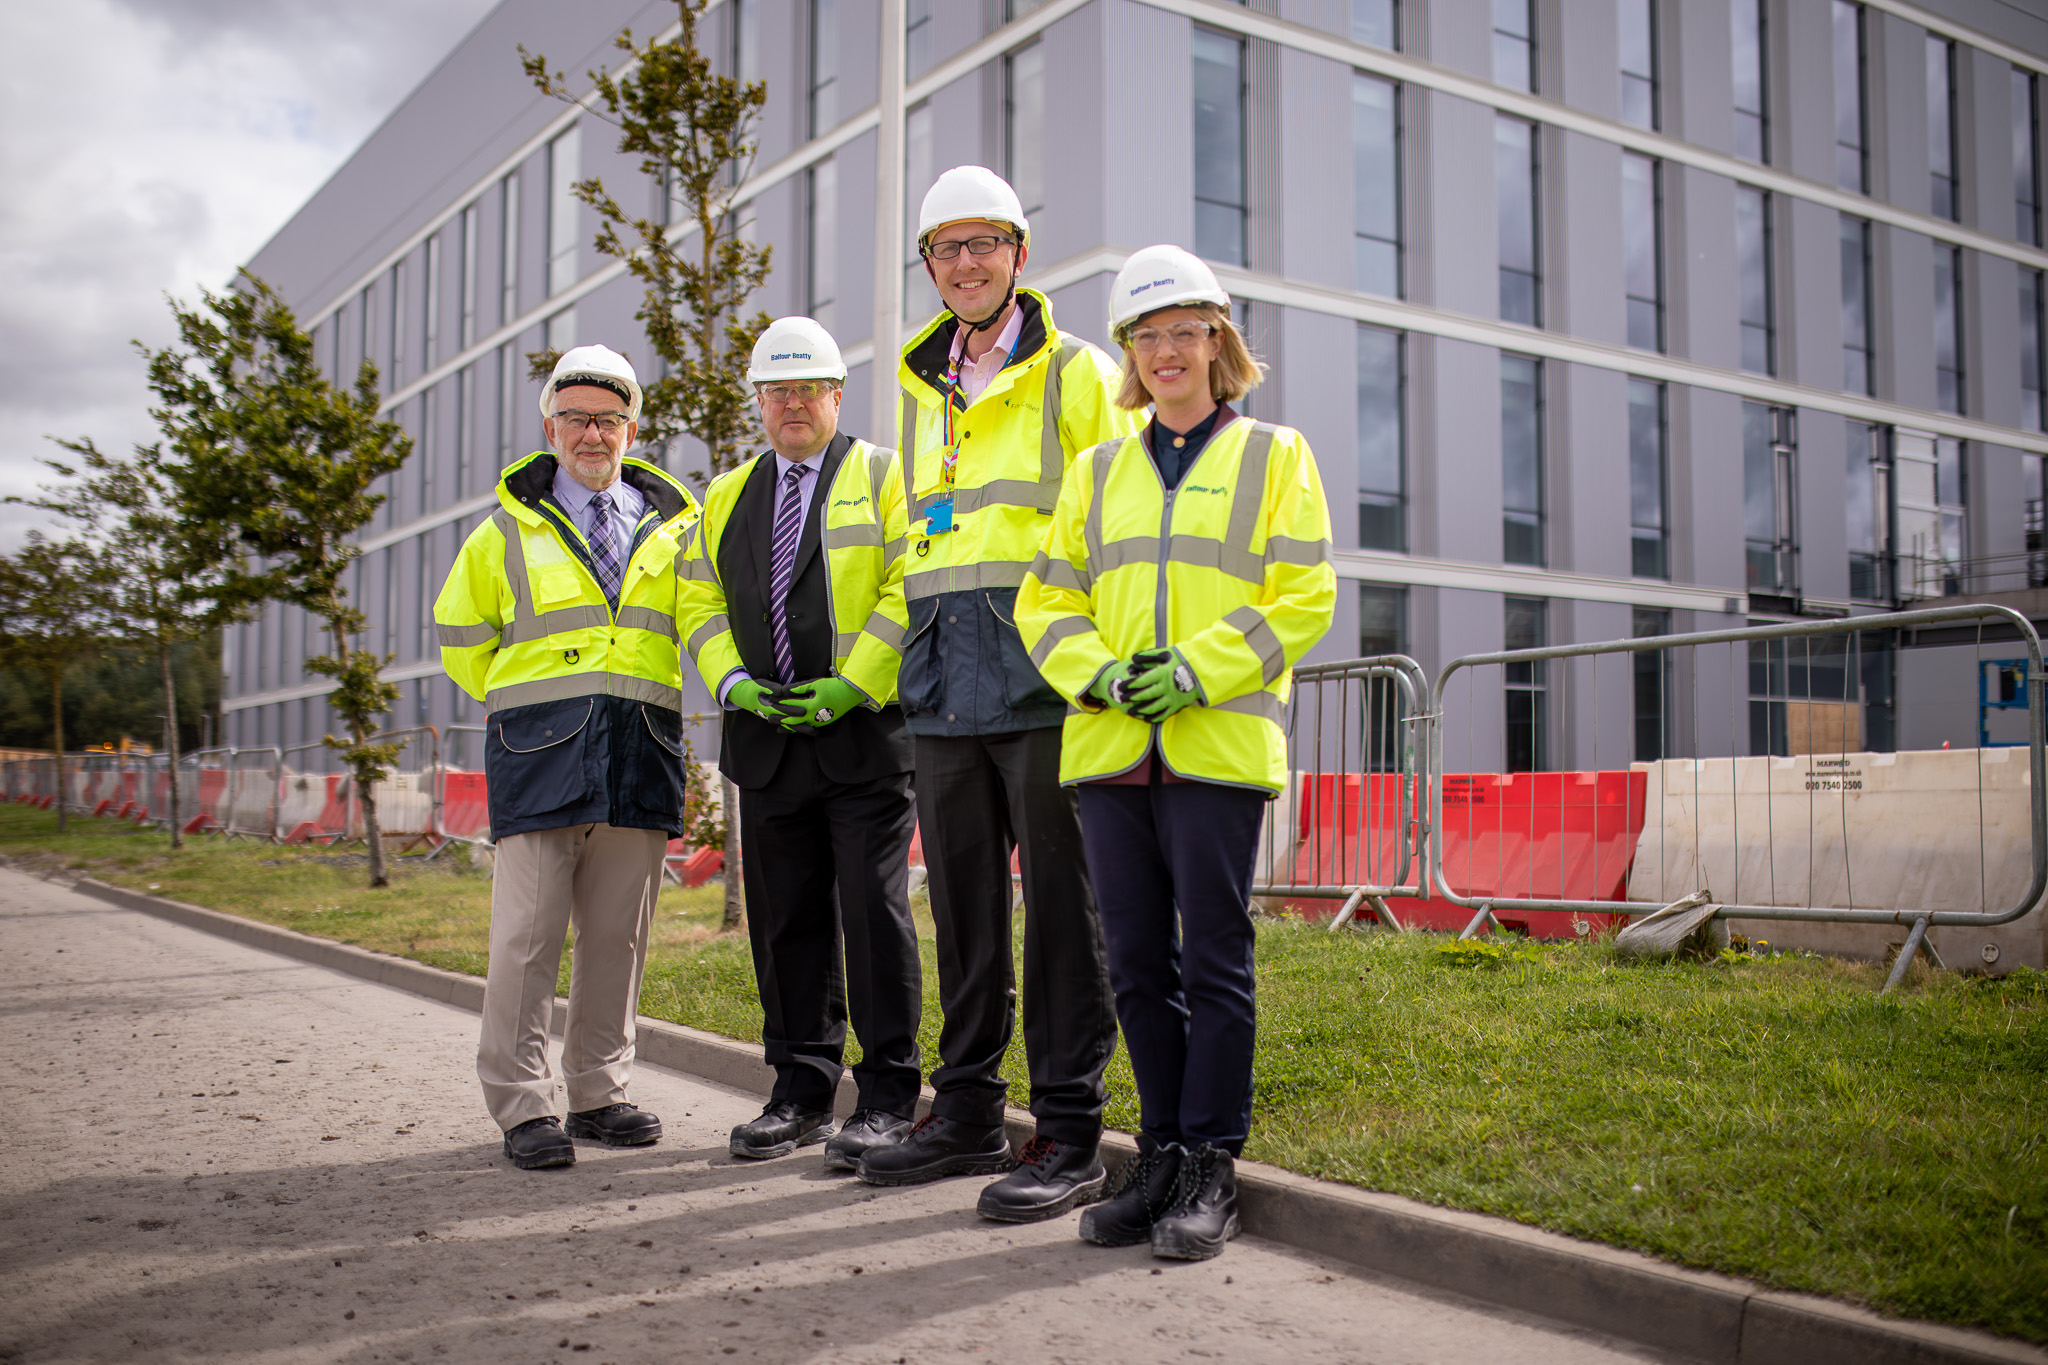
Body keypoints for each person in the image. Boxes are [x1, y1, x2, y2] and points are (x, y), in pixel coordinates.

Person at [1015, 245, 1336, 1259]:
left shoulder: (1274, 455)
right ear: (1127, 354)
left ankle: (1209, 1165)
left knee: (1212, 958)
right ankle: (1153, 1155)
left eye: (1183, 331)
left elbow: (1305, 595)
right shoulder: (1094, 471)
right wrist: (1100, 674)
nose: (1166, 351)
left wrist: (1194, 669)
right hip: (1110, 747)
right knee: (1136, 967)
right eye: (1145, 335)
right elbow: (1047, 599)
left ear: (1217, 342)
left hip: (1215, 745)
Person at [854, 166, 1139, 1225]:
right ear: (927, 267)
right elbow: (911, 537)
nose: (965, 264)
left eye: (984, 244)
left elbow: (1111, 524)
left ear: (1019, 253)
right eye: (945, 248)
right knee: (962, 910)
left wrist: (1091, 664)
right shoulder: (916, 387)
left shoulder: (1076, 372)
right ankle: (966, 1106)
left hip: (1043, 682)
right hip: (937, 682)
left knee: (1064, 914)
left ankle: (1066, 1129)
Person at [435, 345, 702, 1171]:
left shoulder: (676, 529)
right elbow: (460, 640)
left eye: (610, 418)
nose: (594, 432)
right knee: (527, 937)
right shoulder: (502, 532)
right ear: (550, 426)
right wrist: (541, 702)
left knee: (618, 939)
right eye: (578, 417)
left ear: (632, 427)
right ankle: (523, 1104)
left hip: (640, 752)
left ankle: (598, 1091)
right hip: (540, 751)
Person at [674, 317, 922, 1172]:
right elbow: (697, 600)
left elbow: (907, 581)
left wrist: (857, 679)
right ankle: (799, 1090)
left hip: (862, 738)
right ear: (758, 400)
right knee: (785, 927)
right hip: (767, 739)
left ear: (836, 394)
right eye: (776, 390)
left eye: (807, 387)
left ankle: (890, 1097)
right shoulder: (726, 492)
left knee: (872, 915)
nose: (791, 403)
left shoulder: (884, 474)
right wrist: (732, 683)